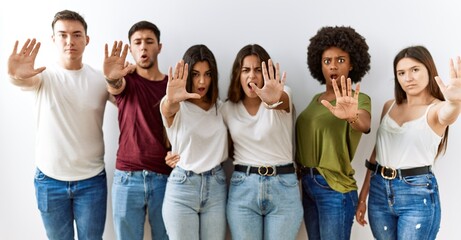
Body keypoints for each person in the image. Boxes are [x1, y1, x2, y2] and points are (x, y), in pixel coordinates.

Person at [7, 10, 110, 240]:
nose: (69, 41)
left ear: (86, 39)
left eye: (76, 34)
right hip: (49, 182)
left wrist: (125, 76)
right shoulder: (43, 76)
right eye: (62, 35)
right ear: (53, 39)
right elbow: (23, 80)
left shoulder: (99, 79)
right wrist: (15, 75)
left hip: (91, 182)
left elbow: (128, 100)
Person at [356, 46, 461, 240]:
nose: (408, 78)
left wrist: (455, 103)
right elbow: (376, 154)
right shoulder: (390, 106)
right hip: (379, 192)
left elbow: (448, 115)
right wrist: (363, 197)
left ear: (429, 69)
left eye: (415, 70)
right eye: (401, 73)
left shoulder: (436, 109)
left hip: (416, 193)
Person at [295, 26, 372, 240]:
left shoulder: (359, 98)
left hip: (334, 187)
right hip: (308, 185)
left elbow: (364, 124)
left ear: (352, 63)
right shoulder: (315, 100)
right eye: (327, 61)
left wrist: (351, 115)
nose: (333, 66)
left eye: (340, 60)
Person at [222, 44, 303, 240]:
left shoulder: (284, 95)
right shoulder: (227, 109)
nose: (252, 76)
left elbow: (282, 100)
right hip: (243, 187)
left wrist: (273, 98)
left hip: (283, 186)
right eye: (246, 70)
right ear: (238, 75)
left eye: (258, 70)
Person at [103, 21, 171, 240]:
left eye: (149, 42)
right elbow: (115, 86)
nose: (143, 47)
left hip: (164, 177)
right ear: (131, 49)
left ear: (159, 47)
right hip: (126, 178)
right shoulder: (127, 81)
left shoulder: (171, 86)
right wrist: (112, 77)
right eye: (137, 42)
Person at [160, 44, 228, 240]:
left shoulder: (220, 108)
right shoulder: (177, 105)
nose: (201, 81)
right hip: (183, 187)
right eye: (196, 74)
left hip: (216, 186)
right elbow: (168, 108)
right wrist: (171, 99)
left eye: (207, 74)